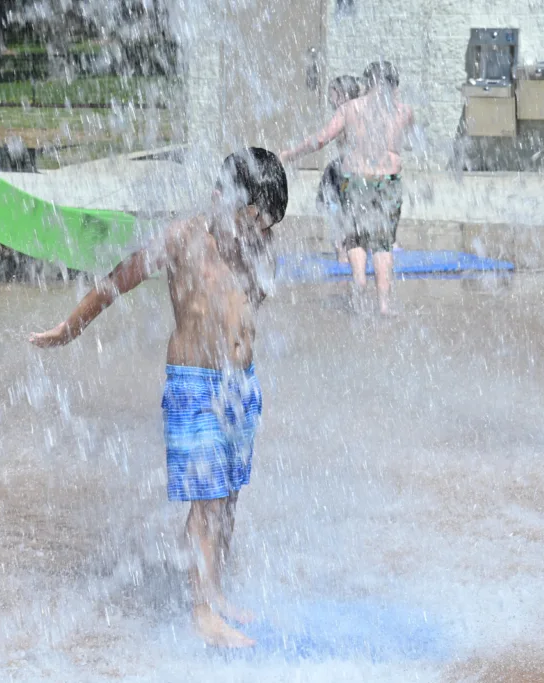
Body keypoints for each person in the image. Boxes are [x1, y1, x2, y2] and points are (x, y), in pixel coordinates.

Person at [30, 148, 289, 648]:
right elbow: (118, 281)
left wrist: (255, 249)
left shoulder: (259, 245)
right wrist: (70, 327)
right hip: (194, 385)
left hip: (241, 385)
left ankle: (216, 589)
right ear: (223, 199)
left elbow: (251, 304)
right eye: (253, 219)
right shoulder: (183, 237)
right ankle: (200, 610)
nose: (260, 231)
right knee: (206, 502)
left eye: (268, 224)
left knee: (229, 495)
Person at [281, 61, 414, 315]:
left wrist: (291, 153)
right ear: (392, 85)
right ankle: (384, 305)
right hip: (390, 181)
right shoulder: (404, 111)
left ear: (369, 82)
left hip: (355, 179)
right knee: (383, 243)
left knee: (355, 238)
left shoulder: (351, 108)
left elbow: (321, 139)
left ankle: (360, 285)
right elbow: (410, 142)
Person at [316, 75, 362, 264]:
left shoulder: (344, 113)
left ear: (344, 95)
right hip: (350, 171)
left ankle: (342, 251)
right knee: (348, 212)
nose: (329, 98)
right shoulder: (361, 111)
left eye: (332, 94)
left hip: (344, 173)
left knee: (337, 211)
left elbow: (322, 138)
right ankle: (346, 249)